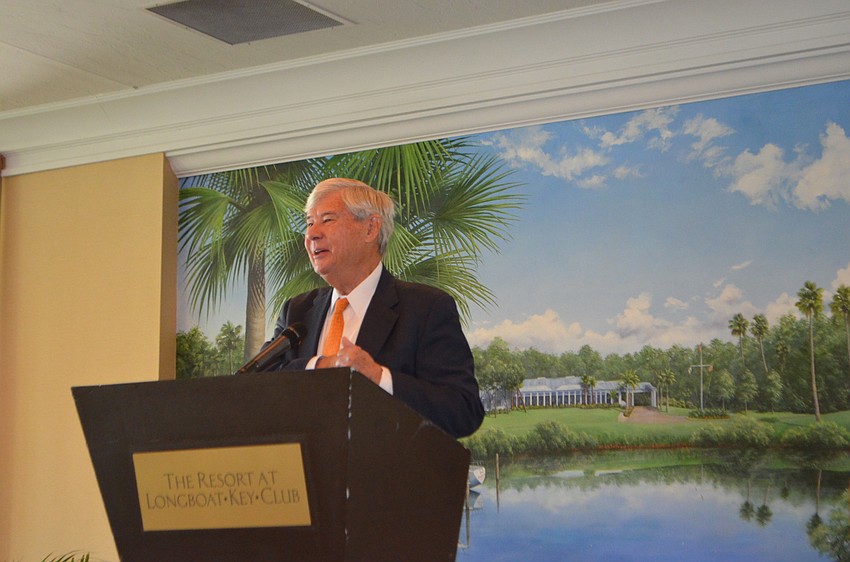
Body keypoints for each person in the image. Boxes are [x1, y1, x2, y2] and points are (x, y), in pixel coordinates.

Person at [266, 178, 484, 439]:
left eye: (327, 220)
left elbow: (462, 410)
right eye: (309, 222)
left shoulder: (425, 308)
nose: (312, 233)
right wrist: (321, 366)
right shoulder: (298, 310)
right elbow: (257, 383)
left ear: (370, 228)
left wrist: (378, 377)